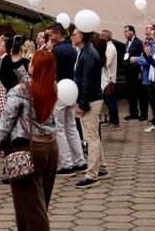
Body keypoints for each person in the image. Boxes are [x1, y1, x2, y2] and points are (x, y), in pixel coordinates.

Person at [0, 49, 60, 231]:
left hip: (28, 147)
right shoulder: (52, 87)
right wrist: (18, 63)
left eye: (31, 61)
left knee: (33, 209)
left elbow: (6, 121)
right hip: (51, 147)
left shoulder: (20, 91)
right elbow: (33, 82)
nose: (28, 64)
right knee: (36, 202)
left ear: (35, 67)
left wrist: (0, 143)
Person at [47, 24, 85, 174]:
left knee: (60, 128)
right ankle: (80, 161)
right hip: (71, 90)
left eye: (51, 36)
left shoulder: (56, 51)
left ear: (57, 34)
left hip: (60, 90)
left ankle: (66, 164)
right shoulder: (72, 49)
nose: (50, 39)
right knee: (72, 127)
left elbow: (52, 71)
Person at [71, 30, 104, 188]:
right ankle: (101, 167)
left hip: (91, 100)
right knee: (93, 134)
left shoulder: (88, 53)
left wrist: (83, 104)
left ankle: (92, 175)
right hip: (90, 98)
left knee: (91, 137)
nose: (72, 37)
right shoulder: (84, 52)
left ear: (81, 36)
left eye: (74, 34)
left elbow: (87, 81)